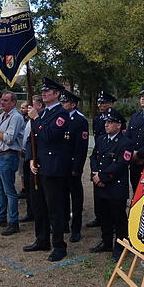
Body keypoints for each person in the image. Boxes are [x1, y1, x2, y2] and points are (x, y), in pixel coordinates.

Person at [24, 77, 72, 262]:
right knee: (39, 206)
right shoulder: (42, 114)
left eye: (48, 91)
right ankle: (42, 239)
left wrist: (35, 118)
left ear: (57, 94)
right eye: (42, 91)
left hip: (53, 169)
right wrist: (30, 159)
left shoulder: (61, 114)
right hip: (38, 167)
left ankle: (59, 246)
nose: (43, 93)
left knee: (55, 208)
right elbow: (31, 139)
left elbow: (49, 135)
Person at [89, 108, 133, 261]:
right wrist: (95, 175)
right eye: (106, 122)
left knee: (118, 218)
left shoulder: (125, 143)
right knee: (103, 216)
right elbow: (93, 157)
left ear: (119, 125)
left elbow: (120, 165)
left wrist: (102, 177)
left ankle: (120, 246)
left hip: (115, 186)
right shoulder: (101, 139)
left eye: (110, 122)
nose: (106, 125)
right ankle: (106, 242)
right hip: (99, 184)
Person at [0, 91, 25, 236]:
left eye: (6, 100)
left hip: (9, 155)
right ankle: (1, 216)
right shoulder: (1, 116)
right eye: (2, 100)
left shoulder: (16, 117)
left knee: (9, 190)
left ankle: (13, 221)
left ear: (14, 102)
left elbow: (9, 138)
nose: (2, 102)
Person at [60, 90, 88, 243]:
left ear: (73, 104)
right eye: (62, 102)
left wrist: (77, 167)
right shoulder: (61, 118)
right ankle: (64, 224)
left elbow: (81, 148)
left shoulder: (80, 120)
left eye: (65, 102)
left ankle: (76, 229)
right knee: (63, 196)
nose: (63, 104)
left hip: (72, 165)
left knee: (76, 199)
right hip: (61, 165)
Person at [87, 90, 117, 228]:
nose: (100, 105)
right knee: (97, 190)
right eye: (99, 102)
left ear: (110, 104)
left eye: (103, 102)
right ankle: (99, 217)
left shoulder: (117, 119)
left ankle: (110, 217)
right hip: (99, 154)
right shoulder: (97, 119)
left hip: (111, 157)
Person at [20, 95, 43, 223]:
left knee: (36, 190)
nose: (28, 108)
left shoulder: (39, 119)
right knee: (29, 188)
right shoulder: (29, 119)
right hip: (26, 156)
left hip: (36, 158)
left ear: (39, 106)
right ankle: (30, 212)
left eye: (31, 105)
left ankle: (36, 212)